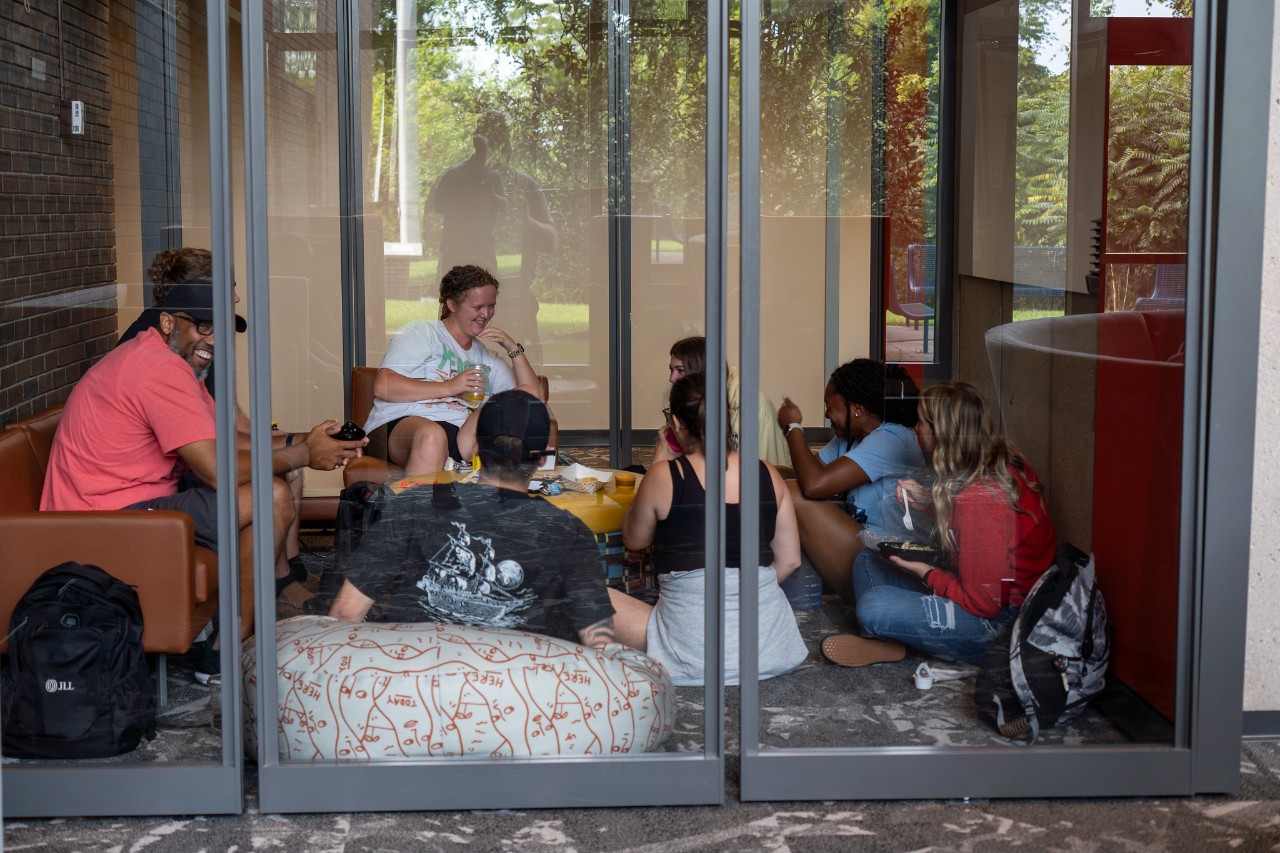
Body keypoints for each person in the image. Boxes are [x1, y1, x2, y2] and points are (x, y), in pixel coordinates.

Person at [42, 283, 368, 685]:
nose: (213, 340)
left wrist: (307, 440)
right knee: (270, 495)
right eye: (203, 326)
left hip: (135, 506)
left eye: (222, 330)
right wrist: (304, 455)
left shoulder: (169, 361)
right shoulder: (156, 369)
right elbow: (216, 468)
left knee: (271, 486)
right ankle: (230, 649)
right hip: (102, 520)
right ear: (166, 322)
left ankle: (225, 643)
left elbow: (228, 443)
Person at [331, 390, 616, 650]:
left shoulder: (412, 504)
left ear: (476, 447)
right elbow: (600, 643)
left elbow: (345, 614)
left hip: (418, 685)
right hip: (520, 694)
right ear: (543, 459)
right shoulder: (570, 530)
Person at [821, 381, 1057, 667]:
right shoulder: (997, 459)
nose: (916, 429)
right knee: (869, 558)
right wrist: (928, 505)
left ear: (942, 430)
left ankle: (893, 637)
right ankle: (891, 639)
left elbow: (984, 603)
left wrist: (925, 572)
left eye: (921, 422)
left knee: (874, 606)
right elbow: (977, 534)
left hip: (1000, 626)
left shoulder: (981, 497)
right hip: (990, 596)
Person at [118, 248, 312, 592]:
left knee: (278, 470)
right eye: (227, 288)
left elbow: (226, 420)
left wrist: (299, 441)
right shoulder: (164, 350)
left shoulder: (194, 337)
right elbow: (215, 454)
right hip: (140, 495)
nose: (236, 297)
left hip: (177, 464)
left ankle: (285, 575)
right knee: (273, 485)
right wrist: (300, 451)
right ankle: (277, 589)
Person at [609, 371, 807, 686]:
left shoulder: (664, 476)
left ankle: (623, 656)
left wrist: (660, 459)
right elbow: (790, 560)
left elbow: (635, 540)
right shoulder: (767, 473)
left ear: (675, 422)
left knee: (583, 593)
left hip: (691, 652)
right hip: (769, 650)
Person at [363, 264, 545, 477]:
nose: (485, 315)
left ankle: (461, 476)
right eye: (477, 307)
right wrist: (451, 387)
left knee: (527, 396)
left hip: (461, 437)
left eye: (491, 306)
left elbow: (535, 399)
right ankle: (414, 508)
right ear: (452, 304)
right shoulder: (422, 333)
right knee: (432, 436)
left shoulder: (486, 357)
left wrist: (512, 347)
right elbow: (384, 386)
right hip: (403, 425)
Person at [776, 359, 925, 602]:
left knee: (793, 496)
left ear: (857, 409)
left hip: (889, 567)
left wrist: (793, 428)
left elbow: (815, 485)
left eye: (829, 406)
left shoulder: (892, 438)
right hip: (866, 550)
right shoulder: (853, 438)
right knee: (779, 482)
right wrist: (762, 470)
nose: (826, 414)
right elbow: (805, 472)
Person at [426, 111, 556, 369]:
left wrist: (526, 219)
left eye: (500, 141)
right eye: (488, 141)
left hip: (516, 294)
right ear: (477, 143)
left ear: (508, 145)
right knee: (452, 370)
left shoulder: (524, 186)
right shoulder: (456, 179)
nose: (495, 150)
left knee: (527, 372)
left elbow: (551, 242)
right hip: (463, 301)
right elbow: (432, 231)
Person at [653, 336, 789, 468]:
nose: (672, 378)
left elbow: (765, 475)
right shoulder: (691, 402)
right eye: (671, 370)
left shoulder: (753, 407)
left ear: (702, 371)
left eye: (680, 370)